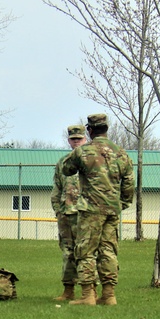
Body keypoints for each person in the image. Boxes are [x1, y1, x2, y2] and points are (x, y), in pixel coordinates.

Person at [61, 113, 134, 306]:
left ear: (90, 130)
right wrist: (123, 203)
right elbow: (129, 182)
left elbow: (66, 169)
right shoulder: (121, 153)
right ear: (106, 129)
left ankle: (88, 295)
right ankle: (109, 295)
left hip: (91, 210)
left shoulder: (83, 152)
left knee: (85, 251)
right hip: (112, 210)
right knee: (108, 250)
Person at [51, 124, 87, 301]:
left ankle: (89, 292)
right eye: (73, 139)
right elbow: (57, 188)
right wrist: (58, 211)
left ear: (85, 139)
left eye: (79, 139)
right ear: (69, 141)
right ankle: (68, 290)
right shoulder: (63, 163)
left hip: (86, 215)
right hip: (66, 215)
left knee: (87, 253)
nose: (76, 142)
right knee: (68, 252)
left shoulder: (91, 160)